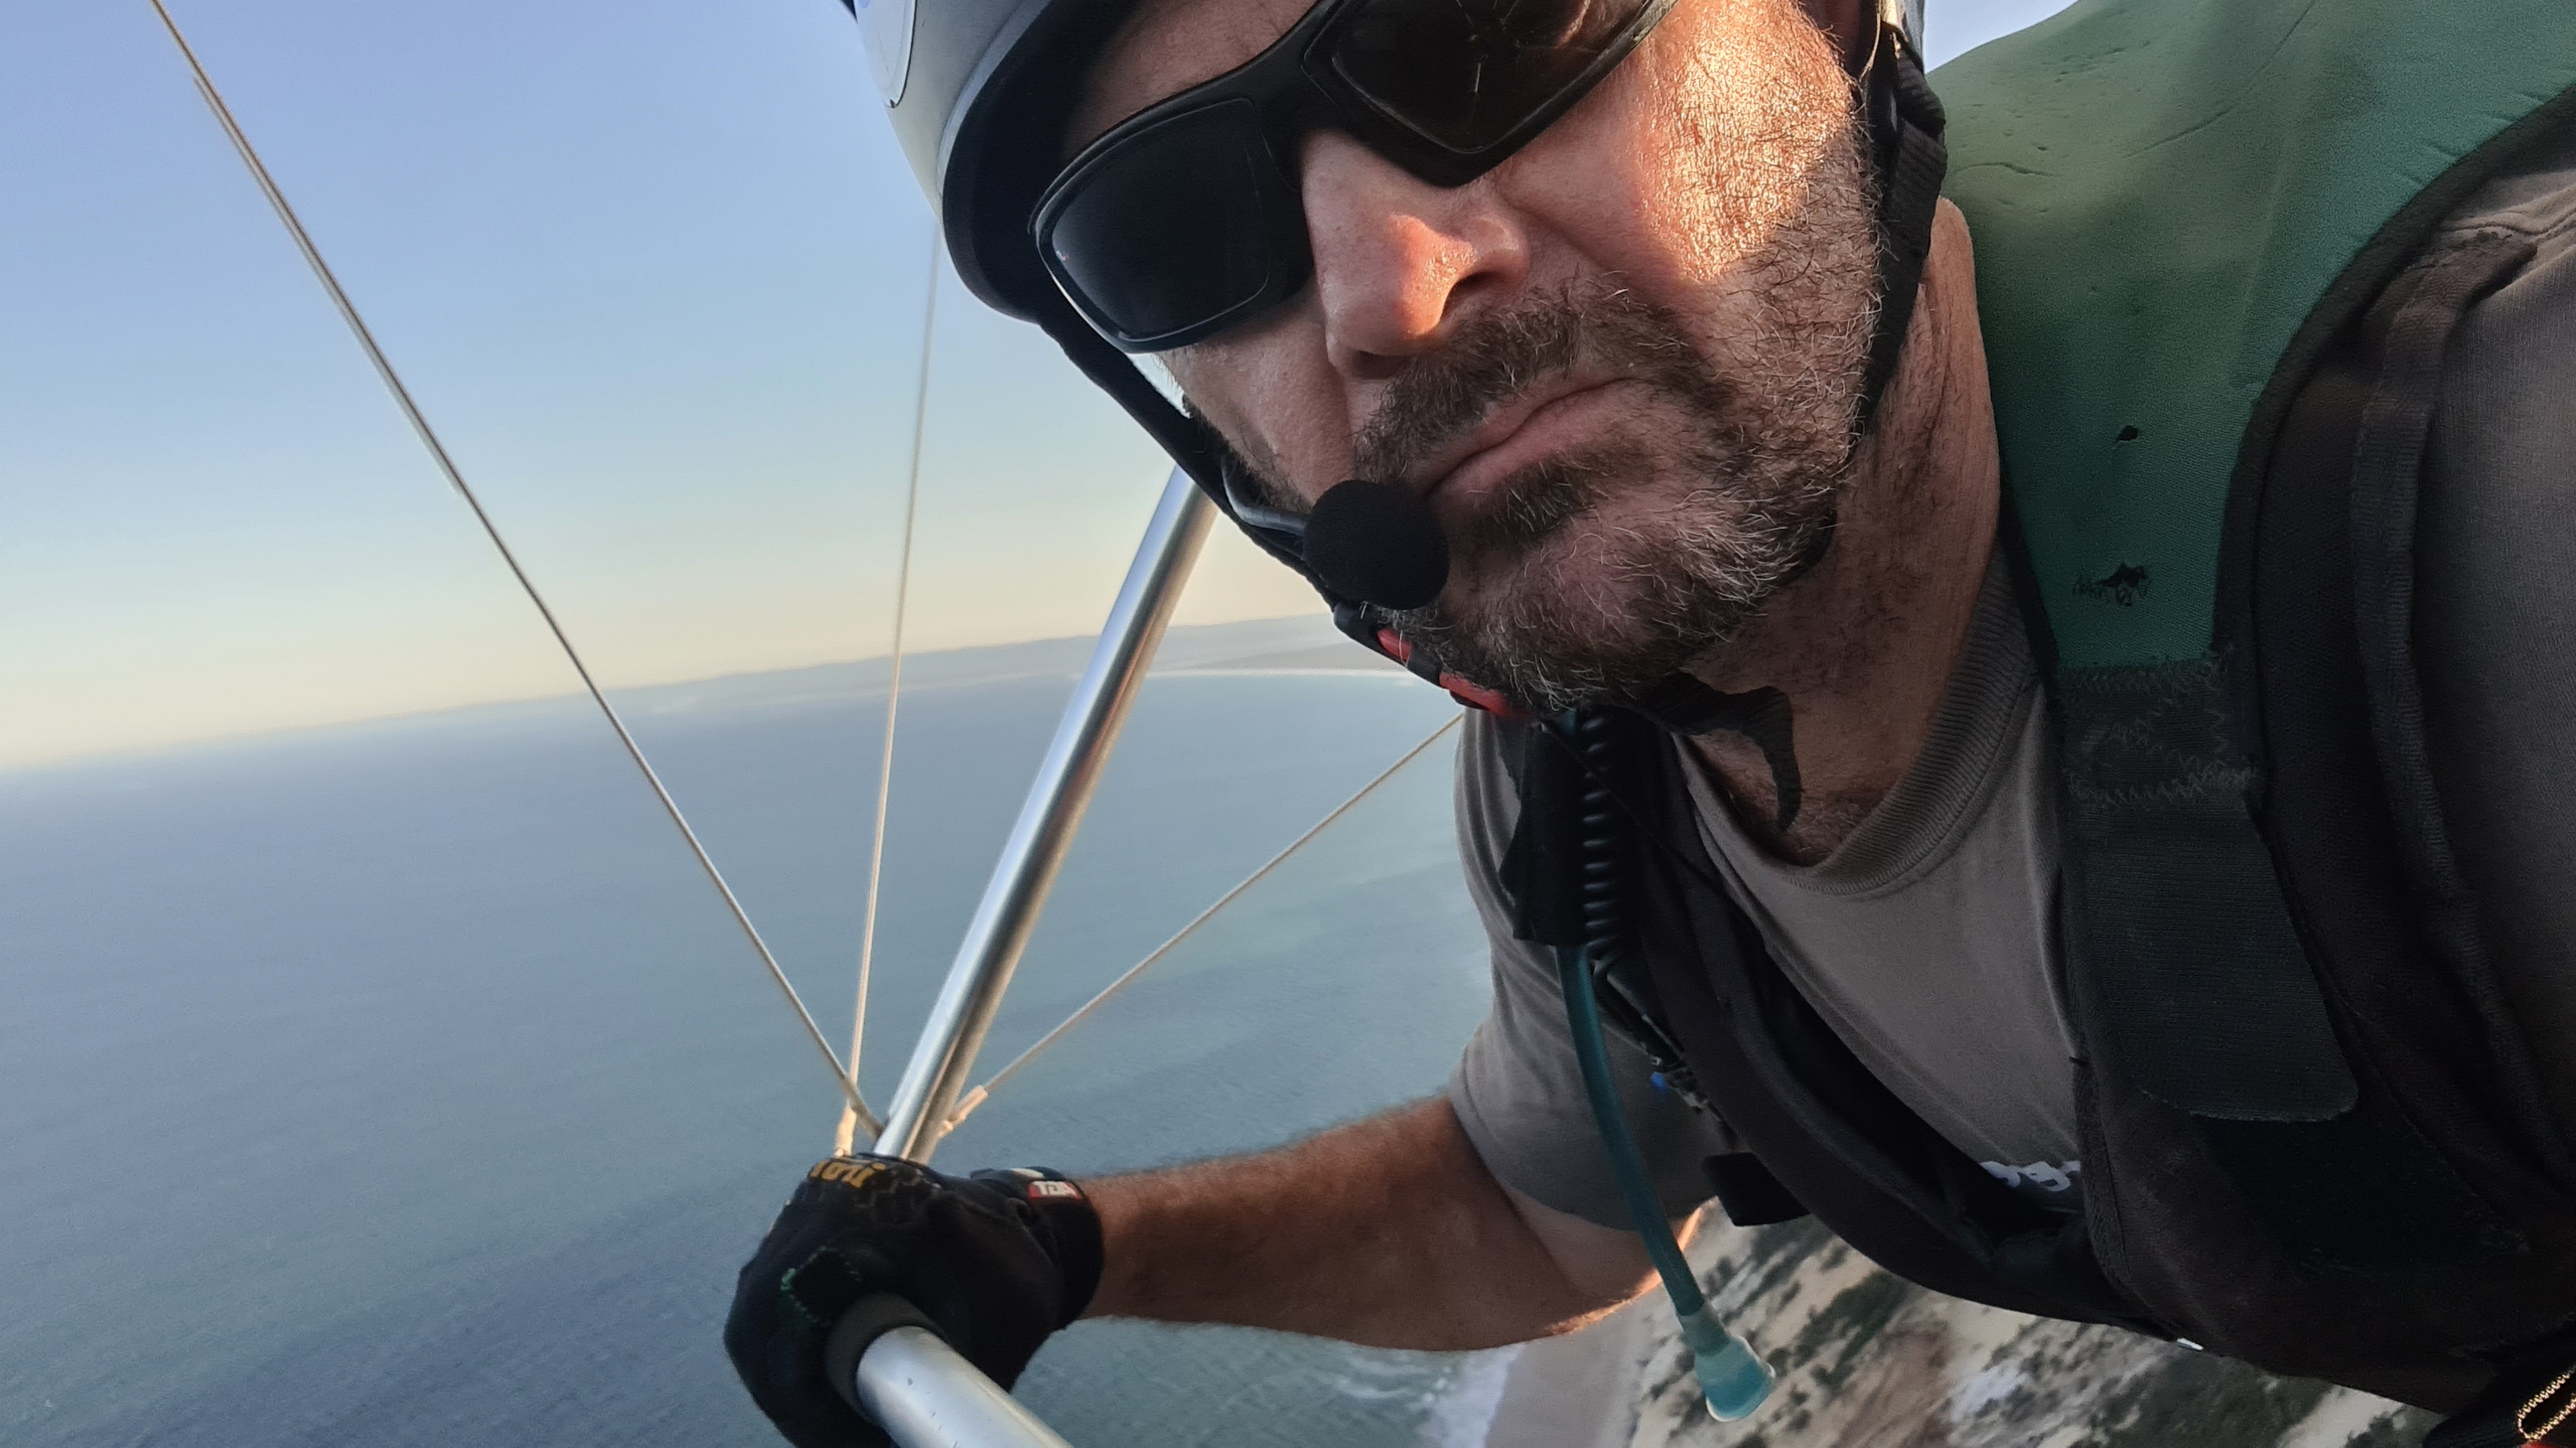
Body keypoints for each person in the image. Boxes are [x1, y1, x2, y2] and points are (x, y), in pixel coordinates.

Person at [725, 0, 2576, 1443]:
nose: (1390, 291)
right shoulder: (1582, 775)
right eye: (1171, 229)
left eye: (1478, 35)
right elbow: (1536, 1204)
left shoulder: (2500, 499)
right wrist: (1062, 1241)